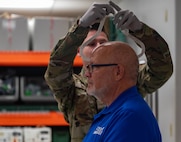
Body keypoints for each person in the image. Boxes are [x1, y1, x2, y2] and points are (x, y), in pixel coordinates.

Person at [44, 2, 173, 142]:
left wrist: (140, 30)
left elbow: (162, 69)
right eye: (91, 43)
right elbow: (56, 70)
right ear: (78, 51)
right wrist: (80, 27)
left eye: (103, 42)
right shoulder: (73, 88)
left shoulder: (125, 78)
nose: (98, 47)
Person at [83, 41, 161, 142]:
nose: (87, 74)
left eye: (94, 67)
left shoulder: (130, 118)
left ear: (118, 72)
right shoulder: (113, 113)